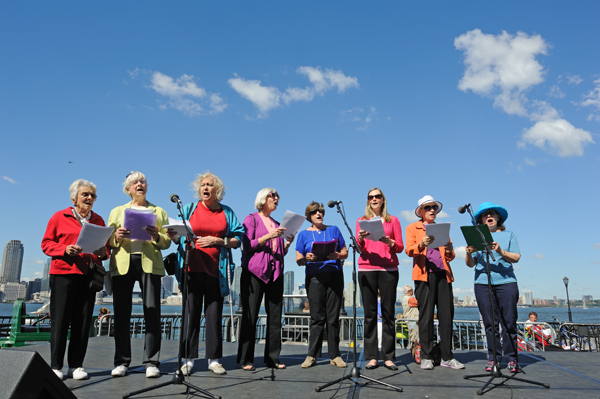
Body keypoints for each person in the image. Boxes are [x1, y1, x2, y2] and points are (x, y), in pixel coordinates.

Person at [167, 172, 244, 376]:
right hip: (191, 270)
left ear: (217, 189)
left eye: (210, 185)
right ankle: (188, 360)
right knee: (190, 316)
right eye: (203, 185)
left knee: (214, 316)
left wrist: (217, 241)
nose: (205, 188)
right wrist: (173, 236)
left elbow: (238, 239)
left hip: (216, 272)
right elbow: (178, 238)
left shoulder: (227, 212)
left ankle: (214, 360)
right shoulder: (189, 209)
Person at [41, 179, 109, 380]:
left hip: (88, 276)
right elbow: (46, 244)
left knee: (83, 321)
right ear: (74, 198)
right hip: (63, 274)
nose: (89, 198)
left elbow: (104, 251)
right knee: (60, 321)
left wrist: (104, 252)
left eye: (92, 195)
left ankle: (76, 366)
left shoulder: (98, 220)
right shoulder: (58, 216)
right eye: (85, 195)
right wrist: (64, 249)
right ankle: (56, 366)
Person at [108, 171, 171, 378]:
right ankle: (122, 361)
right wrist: (116, 236)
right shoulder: (117, 211)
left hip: (150, 264)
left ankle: (151, 361)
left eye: (142, 181)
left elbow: (166, 242)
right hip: (123, 263)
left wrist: (156, 236)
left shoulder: (158, 211)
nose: (139, 184)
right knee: (121, 313)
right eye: (135, 182)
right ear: (128, 189)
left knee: (152, 312)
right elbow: (108, 241)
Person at [237, 188, 295, 371]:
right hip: (254, 273)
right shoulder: (251, 219)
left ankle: (272, 358)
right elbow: (247, 245)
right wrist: (269, 236)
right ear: (263, 199)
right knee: (250, 316)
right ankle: (246, 358)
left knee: (276, 317)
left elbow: (279, 253)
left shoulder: (277, 223)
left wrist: (286, 245)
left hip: (275, 274)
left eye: (278, 196)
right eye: (273, 195)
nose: (276, 198)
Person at [406, 195, 463, 370]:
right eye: (428, 208)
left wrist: (450, 250)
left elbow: (449, 257)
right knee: (426, 317)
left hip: (443, 276)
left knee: (446, 317)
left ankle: (447, 356)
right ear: (420, 211)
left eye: (434, 208)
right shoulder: (412, 228)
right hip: (424, 276)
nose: (432, 210)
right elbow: (409, 250)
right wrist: (421, 244)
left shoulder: (441, 229)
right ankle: (427, 356)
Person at [465, 202, 521, 373]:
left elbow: (516, 257)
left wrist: (501, 251)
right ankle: (493, 358)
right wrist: (468, 252)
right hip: (482, 283)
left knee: (509, 322)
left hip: (506, 283)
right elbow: (470, 264)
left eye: (492, 214)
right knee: (490, 323)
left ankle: (512, 359)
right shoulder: (476, 236)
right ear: (481, 220)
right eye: (485, 214)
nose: (489, 216)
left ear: (498, 218)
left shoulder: (509, 235)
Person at [295, 201, 348, 368]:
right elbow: (298, 260)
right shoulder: (303, 234)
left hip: (334, 275)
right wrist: (306, 259)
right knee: (317, 317)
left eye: (321, 212)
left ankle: (335, 355)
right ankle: (312, 355)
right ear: (309, 216)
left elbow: (345, 252)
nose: (319, 214)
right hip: (314, 276)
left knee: (333, 318)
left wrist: (337, 256)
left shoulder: (334, 229)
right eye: (315, 212)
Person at [356, 188, 404, 371]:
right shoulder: (361, 221)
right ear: (368, 201)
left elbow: (400, 246)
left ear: (383, 200)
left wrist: (389, 242)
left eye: (377, 196)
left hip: (388, 269)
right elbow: (358, 249)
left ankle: (389, 357)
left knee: (388, 313)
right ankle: (372, 357)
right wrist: (360, 239)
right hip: (366, 269)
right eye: (371, 197)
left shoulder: (394, 220)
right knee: (369, 315)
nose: (374, 199)